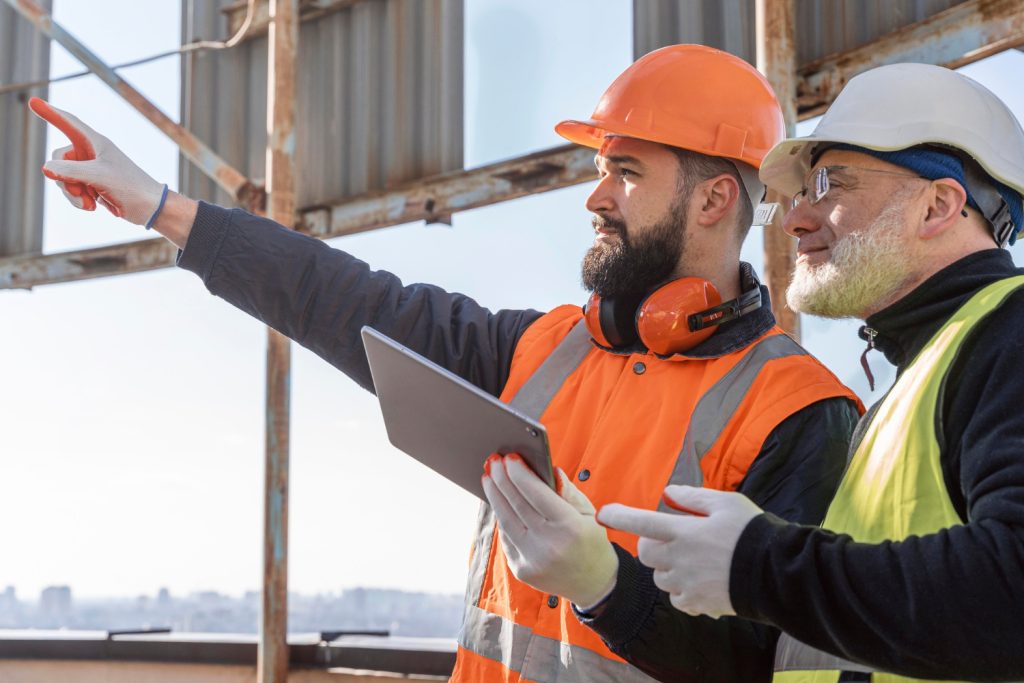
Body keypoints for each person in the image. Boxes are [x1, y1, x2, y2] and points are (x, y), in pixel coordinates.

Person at [32, 45, 860, 682]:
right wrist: (155, 204)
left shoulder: (799, 414)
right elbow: (345, 297)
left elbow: (772, 667)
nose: (595, 196)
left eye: (626, 172)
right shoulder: (544, 349)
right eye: (600, 169)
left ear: (715, 200)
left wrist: (610, 589)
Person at [600, 61, 1024, 682]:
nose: (796, 218)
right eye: (798, 195)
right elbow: (799, 649)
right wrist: (601, 585)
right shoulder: (920, 378)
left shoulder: (1009, 335)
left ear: (938, 206)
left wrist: (760, 565)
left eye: (831, 183)